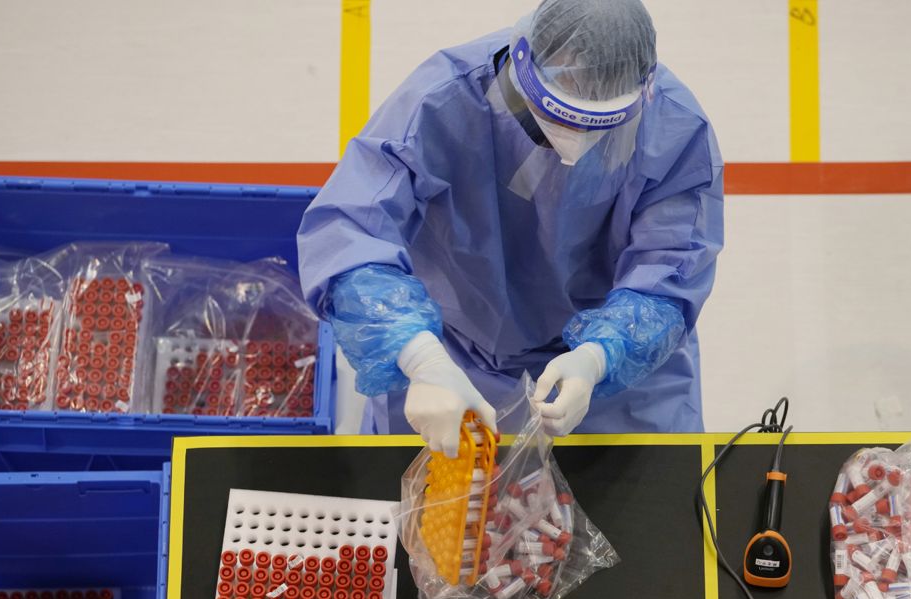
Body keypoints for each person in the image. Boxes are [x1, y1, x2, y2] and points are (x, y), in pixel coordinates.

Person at [297, 0, 723, 457]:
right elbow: (350, 231)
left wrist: (599, 356)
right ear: (521, 66)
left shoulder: (676, 131)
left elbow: (671, 269)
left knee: (649, 509)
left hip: (616, 366)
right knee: (421, 517)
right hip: (455, 351)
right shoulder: (443, 98)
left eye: (598, 128)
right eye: (554, 118)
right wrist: (419, 357)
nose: (573, 145)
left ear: (645, 91)